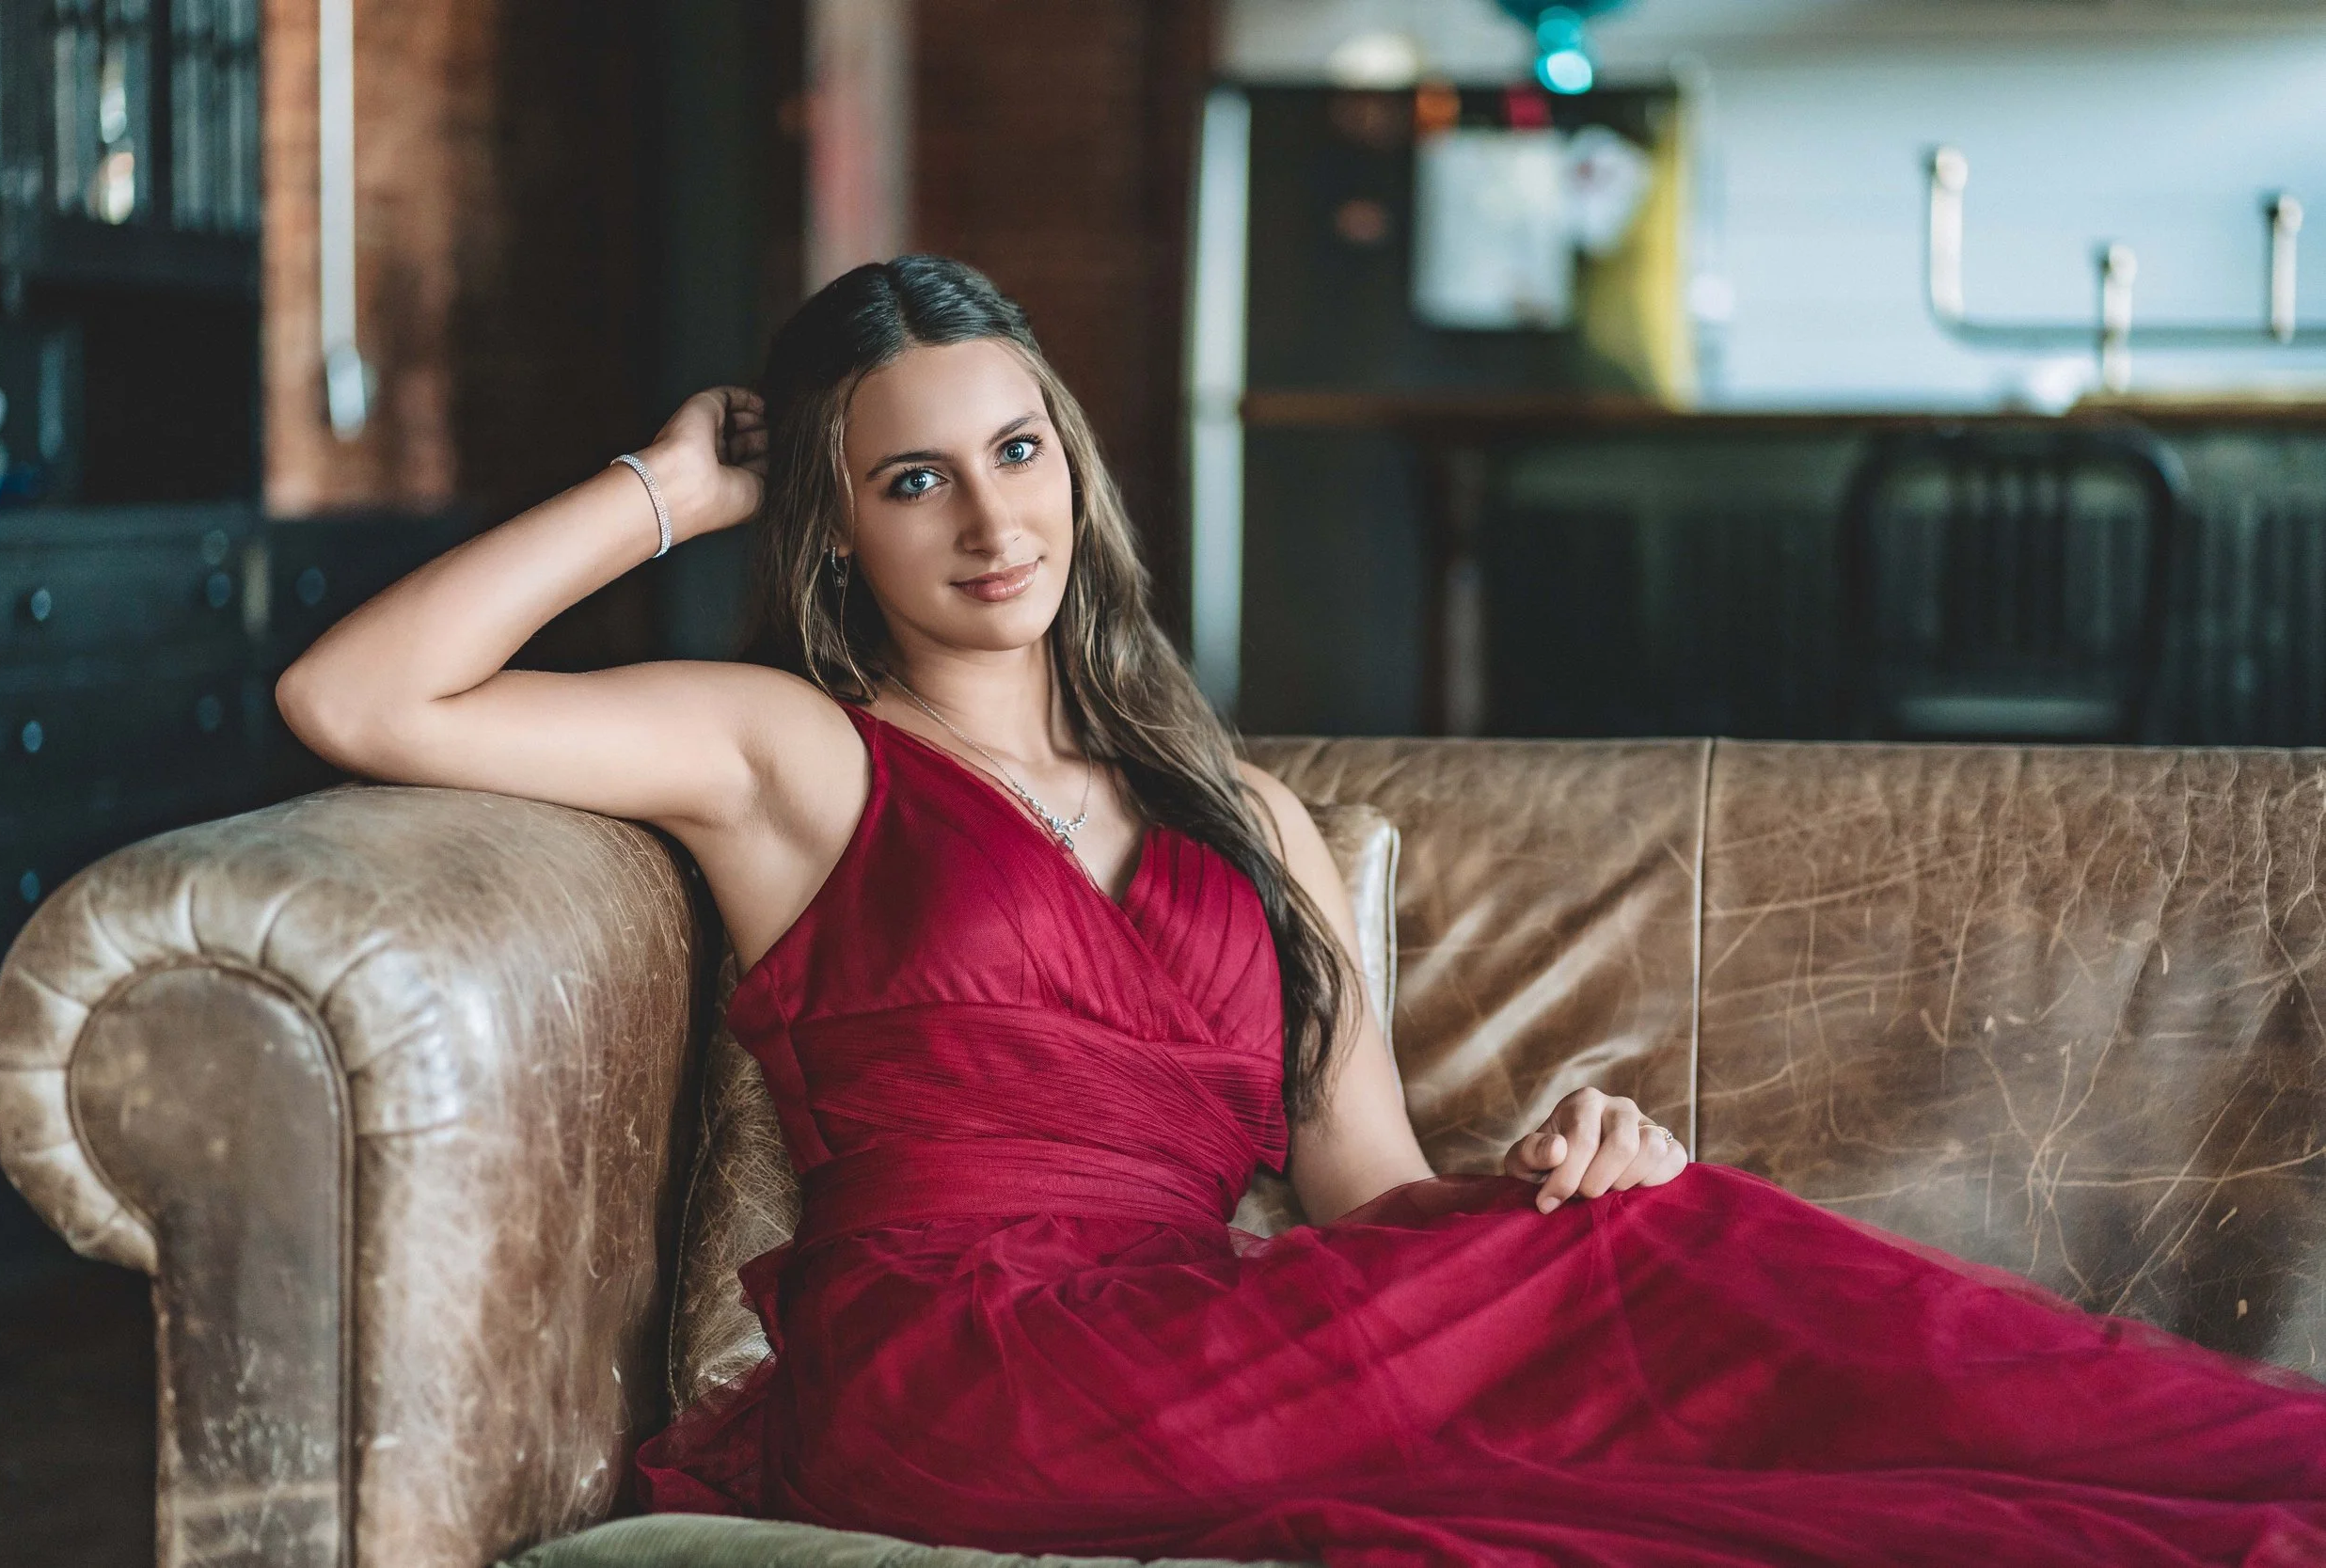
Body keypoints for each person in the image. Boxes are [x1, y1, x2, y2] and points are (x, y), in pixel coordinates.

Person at [278, 256, 2326, 1567]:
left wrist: (1542, 1174)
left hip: (1202, 1335)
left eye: (1014, 452)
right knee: (1657, 1284)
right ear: (833, 522)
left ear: (1071, 463)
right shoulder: (795, 756)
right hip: (961, 1372)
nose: (993, 521)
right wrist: (667, 486)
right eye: (911, 483)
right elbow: (354, 698)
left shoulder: (1240, 809)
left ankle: (2252, 1475)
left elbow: (1363, 1189)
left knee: (1645, 1228)